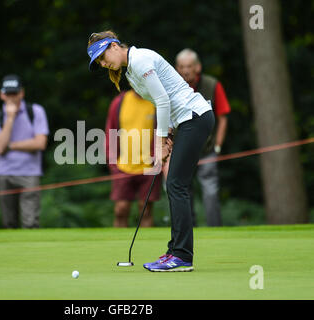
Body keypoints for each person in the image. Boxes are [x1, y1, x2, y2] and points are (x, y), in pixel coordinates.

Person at [87, 31, 214, 272]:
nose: (104, 64)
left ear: (114, 46)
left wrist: (160, 140)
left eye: (103, 57)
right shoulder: (132, 71)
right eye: (100, 63)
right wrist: (168, 135)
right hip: (186, 121)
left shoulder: (141, 59)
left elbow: (164, 100)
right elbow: (163, 102)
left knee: (176, 184)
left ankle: (182, 256)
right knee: (175, 185)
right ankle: (175, 251)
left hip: (195, 117)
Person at [174, 48, 231, 227]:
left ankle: (215, 229)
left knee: (210, 191)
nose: (185, 71)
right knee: (183, 190)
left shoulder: (212, 84)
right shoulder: (172, 86)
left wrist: (218, 145)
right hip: (182, 150)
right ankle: (189, 229)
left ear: (197, 67)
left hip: (207, 151)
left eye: (189, 66)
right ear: (176, 68)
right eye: (182, 67)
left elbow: (223, 116)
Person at [0, 74, 49, 229]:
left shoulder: (35, 111)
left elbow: (40, 143)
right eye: (8, 94)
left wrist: (11, 146)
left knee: (31, 223)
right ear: (2, 95)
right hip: (4, 174)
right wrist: (10, 118)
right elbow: (0, 147)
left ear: (21, 93)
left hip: (30, 173)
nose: (12, 98)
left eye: (15, 93)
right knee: (9, 223)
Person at [105, 89, 162, 228]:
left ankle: (146, 246)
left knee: (145, 209)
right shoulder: (119, 102)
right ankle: (118, 246)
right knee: (121, 209)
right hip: (123, 166)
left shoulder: (156, 102)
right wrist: (111, 160)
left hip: (149, 167)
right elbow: (110, 131)